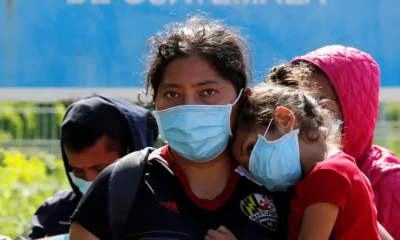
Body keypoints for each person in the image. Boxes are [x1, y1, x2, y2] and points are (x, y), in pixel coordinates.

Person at [69, 16, 290, 240]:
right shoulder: (121, 183)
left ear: (242, 99)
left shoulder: (276, 185)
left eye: (208, 92)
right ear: (155, 100)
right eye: (172, 94)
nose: (189, 106)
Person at [271, 45, 400, 239]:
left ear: (353, 107)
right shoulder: (282, 176)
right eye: (296, 104)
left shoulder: (390, 184)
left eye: (318, 104)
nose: (303, 117)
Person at [229, 80, 380, 239]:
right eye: (246, 166)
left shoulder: (328, 175)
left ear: (285, 119)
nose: (254, 167)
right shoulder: (329, 173)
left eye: (251, 148)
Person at [17, 95, 158, 239]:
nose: (90, 180)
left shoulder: (163, 211)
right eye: (78, 171)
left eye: (100, 170)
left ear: (131, 156)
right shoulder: (57, 212)